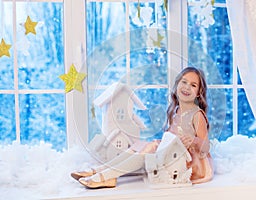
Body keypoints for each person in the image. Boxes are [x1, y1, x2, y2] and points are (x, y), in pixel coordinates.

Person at [71, 67, 214, 189]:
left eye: (193, 85)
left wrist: (194, 140)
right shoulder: (175, 110)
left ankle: (107, 176)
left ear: (199, 92)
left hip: (187, 161)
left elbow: (206, 146)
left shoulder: (197, 115)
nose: (187, 87)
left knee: (149, 150)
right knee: (142, 146)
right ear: (177, 85)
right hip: (171, 151)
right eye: (184, 82)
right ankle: (101, 170)